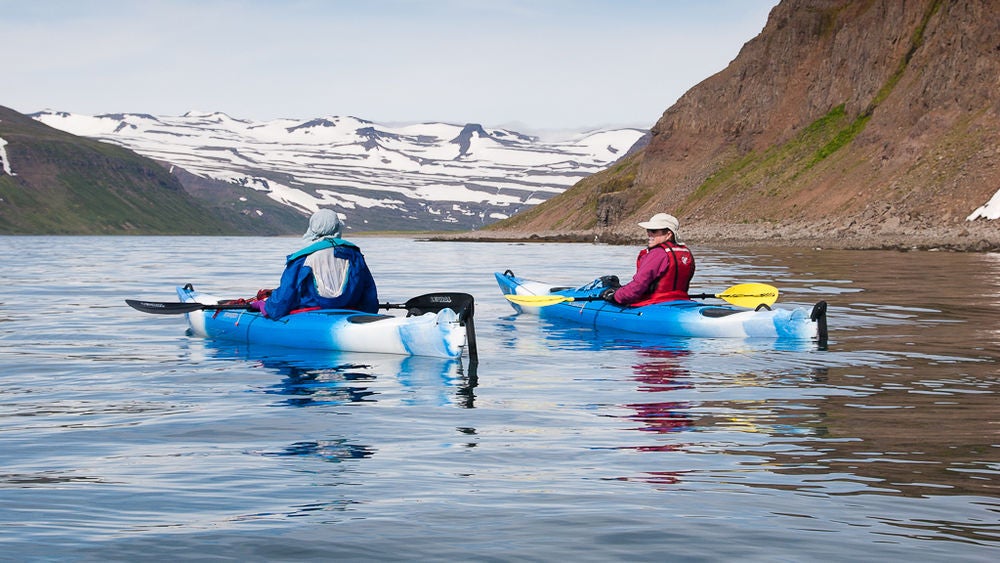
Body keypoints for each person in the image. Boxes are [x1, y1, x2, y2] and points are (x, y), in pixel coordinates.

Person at [251, 209, 378, 318]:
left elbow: (284, 297)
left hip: (311, 313)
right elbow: (369, 294)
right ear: (338, 228)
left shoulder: (301, 259)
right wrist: (368, 316)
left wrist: (265, 306)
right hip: (349, 311)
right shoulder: (355, 255)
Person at [600, 213, 695, 306]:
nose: (649, 233)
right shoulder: (686, 253)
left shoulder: (658, 253)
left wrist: (616, 296)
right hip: (681, 301)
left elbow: (638, 286)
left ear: (668, 234)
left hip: (655, 303)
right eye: (648, 230)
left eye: (654, 231)